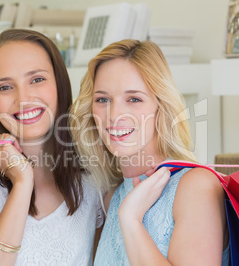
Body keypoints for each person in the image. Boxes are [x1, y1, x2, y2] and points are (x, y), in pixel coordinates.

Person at [0, 29, 103, 265]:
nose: (23, 99)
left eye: (37, 79)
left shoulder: (96, 177)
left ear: (60, 84)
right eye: (5, 87)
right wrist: (22, 182)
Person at [70, 39, 230, 265]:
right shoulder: (111, 197)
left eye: (134, 99)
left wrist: (131, 219)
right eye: (102, 99)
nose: (114, 114)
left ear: (160, 105)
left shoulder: (196, 187)